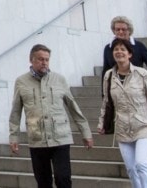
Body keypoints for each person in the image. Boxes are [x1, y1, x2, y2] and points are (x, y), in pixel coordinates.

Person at [9, 43, 93, 187]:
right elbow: (16, 111)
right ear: (31, 60)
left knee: (63, 178)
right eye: (40, 59)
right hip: (37, 138)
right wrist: (13, 136)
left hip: (60, 137)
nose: (44, 63)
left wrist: (86, 132)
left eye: (47, 59)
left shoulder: (59, 79)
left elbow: (73, 107)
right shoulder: (21, 81)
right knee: (43, 182)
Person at [97, 37, 147, 188]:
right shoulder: (108, 76)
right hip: (123, 128)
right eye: (116, 50)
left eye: (122, 49)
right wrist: (101, 122)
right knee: (131, 169)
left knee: (142, 164)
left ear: (130, 54)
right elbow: (106, 102)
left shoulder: (142, 74)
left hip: (144, 126)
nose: (119, 52)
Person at [102, 16, 147, 92]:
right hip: (116, 90)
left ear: (129, 30)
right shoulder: (108, 48)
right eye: (117, 29)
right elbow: (105, 71)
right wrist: (104, 94)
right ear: (114, 31)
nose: (120, 32)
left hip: (137, 89)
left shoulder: (139, 46)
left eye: (123, 29)